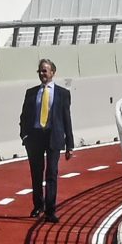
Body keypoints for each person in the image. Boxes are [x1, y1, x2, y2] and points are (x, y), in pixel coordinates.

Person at [18, 59, 75, 223]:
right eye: (40, 71)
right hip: (35, 137)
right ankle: (38, 206)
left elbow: (66, 119)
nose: (42, 74)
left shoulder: (62, 94)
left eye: (45, 71)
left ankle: (50, 210)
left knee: (51, 173)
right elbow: (24, 117)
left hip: (53, 137)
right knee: (36, 174)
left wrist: (69, 144)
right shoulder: (31, 92)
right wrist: (25, 136)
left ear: (52, 73)